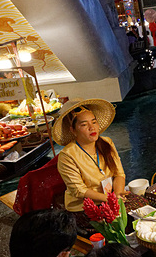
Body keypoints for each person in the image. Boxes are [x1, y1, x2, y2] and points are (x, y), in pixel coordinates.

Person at [53, 98, 126, 232]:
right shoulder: (67, 155)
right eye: (84, 124)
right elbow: (79, 190)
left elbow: (119, 174)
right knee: (117, 225)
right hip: (85, 208)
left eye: (94, 122)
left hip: (111, 198)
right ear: (73, 130)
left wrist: (118, 194)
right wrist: (109, 199)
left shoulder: (107, 143)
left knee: (139, 209)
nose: (92, 128)